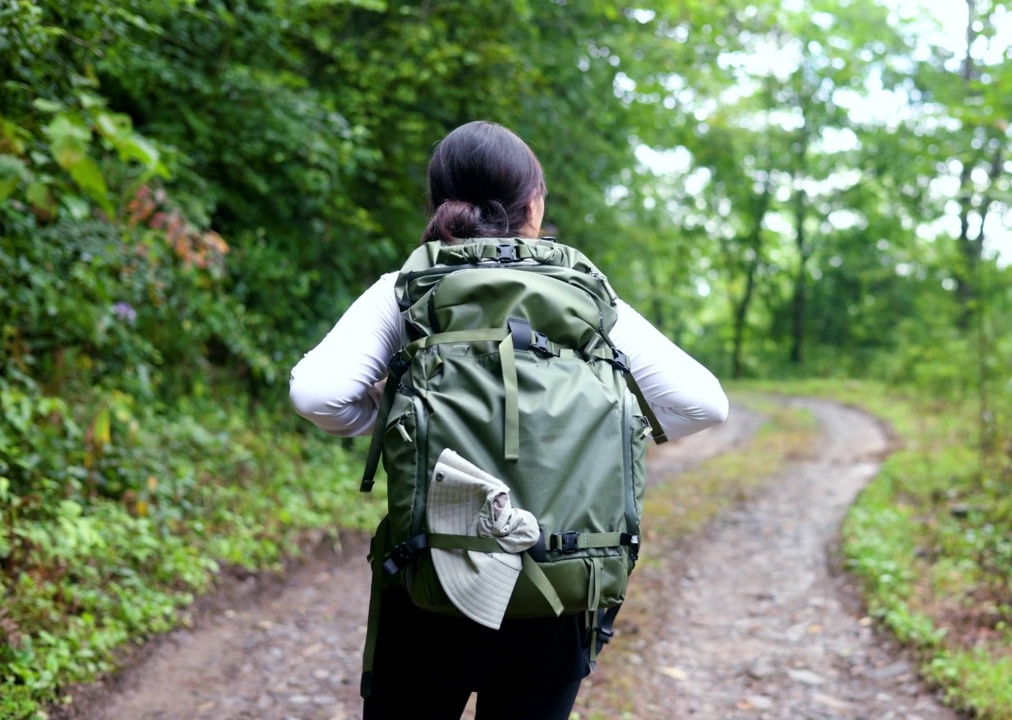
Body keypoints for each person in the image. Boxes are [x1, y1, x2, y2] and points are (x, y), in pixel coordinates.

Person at [289, 120, 729, 720]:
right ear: (534, 203)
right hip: (564, 581)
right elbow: (705, 404)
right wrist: (601, 429)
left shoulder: (409, 289)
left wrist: (398, 422)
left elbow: (318, 396)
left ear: (441, 200)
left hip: (432, 572)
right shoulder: (589, 298)